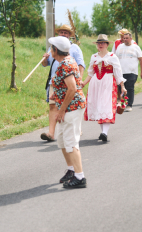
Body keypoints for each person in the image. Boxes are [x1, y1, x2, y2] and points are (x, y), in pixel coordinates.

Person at [48, 36, 87, 189]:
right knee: (62, 140)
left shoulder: (66, 64)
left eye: (51, 48)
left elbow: (72, 88)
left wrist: (61, 110)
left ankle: (80, 176)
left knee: (71, 142)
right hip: (68, 106)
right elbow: (66, 86)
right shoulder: (64, 62)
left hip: (72, 107)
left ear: (56, 50)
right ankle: (71, 170)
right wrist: (56, 94)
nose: (50, 50)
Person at [41, 24, 86, 141]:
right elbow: (46, 64)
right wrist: (45, 59)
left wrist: (80, 79)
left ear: (70, 35)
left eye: (66, 32)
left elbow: (81, 64)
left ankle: (76, 128)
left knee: (71, 106)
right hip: (55, 81)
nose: (63, 34)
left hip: (68, 82)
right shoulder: (54, 48)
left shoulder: (73, 51)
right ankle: (51, 133)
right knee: (52, 105)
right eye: (61, 32)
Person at [83, 35, 126, 141]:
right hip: (95, 84)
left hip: (108, 84)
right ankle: (103, 133)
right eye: (99, 43)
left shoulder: (112, 56)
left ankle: (104, 133)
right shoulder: (94, 57)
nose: (100, 45)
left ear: (107, 44)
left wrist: (122, 87)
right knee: (99, 107)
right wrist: (83, 83)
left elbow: (118, 73)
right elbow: (90, 73)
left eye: (103, 43)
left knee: (106, 106)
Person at [115, 33, 142, 112]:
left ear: (131, 38)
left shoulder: (136, 47)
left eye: (127, 38)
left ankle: (129, 105)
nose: (125, 40)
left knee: (130, 87)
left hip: (132, 72)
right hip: (121, 72)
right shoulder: (120, 47)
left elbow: (141, 59)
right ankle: (123, 104)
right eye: (124, 38)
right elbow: (115, 59)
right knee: (121, 88)